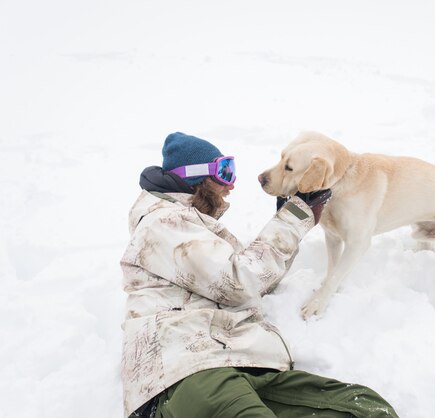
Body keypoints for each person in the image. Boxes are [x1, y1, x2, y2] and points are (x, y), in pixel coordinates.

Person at [120, 132, 399, 418]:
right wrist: (291, 220)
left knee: (364, 407)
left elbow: (256, 282)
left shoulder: (198, 230)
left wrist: (288, 222)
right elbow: (240, 282)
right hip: (186, 372)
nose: (231, 185)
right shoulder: (163, 222)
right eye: (224, 172)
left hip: (244, 364)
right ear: (197, 178)